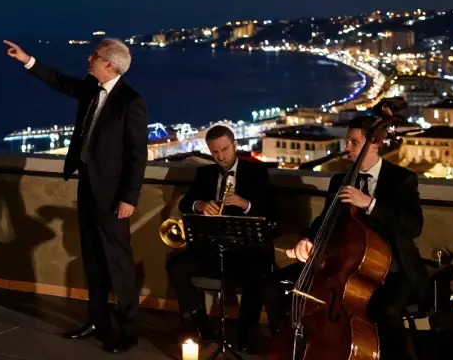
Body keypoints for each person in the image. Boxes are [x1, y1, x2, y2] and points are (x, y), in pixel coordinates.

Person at [5, 38, 147, 353]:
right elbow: (59, 81)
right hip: (88, 187)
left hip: (113, 197)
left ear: (109, 64)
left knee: (118, 264)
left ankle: (128, 330)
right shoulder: (90, 87)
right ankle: (98, 320)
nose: (89, 58)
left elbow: (138, 156)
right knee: (93, 260)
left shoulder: (130, 102)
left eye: (94, 55)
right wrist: (28, 60)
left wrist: (129, 198)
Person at [281, 115, 426, 360]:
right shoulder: (340, 180)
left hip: (393, 270)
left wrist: (370, 203)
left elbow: (413, 226)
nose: (346, 148)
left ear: (374, 145)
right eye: (347, 141)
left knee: (386, 310)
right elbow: (324, 220)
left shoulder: (401, 179)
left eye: (353, 142)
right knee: (287, 288)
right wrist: (307, 238)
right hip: (344, 266)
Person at [165, 125, 282, 350]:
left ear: (235, 145)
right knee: (176, 266)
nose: (221, 157)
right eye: (215, 152)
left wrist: (245, 204)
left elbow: (271, 211)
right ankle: (198, 323)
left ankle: (246, 333)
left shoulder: (256, 173)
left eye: (225, 150)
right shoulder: (205, 174)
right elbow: (184, 202)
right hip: (212, 248)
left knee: (258, 275)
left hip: (247, 249)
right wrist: (199, 204)